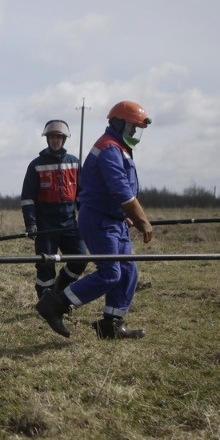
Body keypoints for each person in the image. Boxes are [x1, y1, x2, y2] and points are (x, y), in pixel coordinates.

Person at [36, 100, 154, 339]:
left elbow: (118, 193)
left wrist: (126, 217)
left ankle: (111, 325)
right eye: (132, 128)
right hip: (99, 222)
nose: (134, 134)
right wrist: (142, 220)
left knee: (128, 270)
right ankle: (56, 304)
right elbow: (121, 190)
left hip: (115, 222)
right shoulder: (109, 148)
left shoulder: (120, 147)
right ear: (119, 124)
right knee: (110, 273)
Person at [21, 119, 88, 299]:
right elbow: (27, 198)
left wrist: (86, 218)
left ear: (64, 139)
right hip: (45, 225)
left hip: (69, 223)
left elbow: (82, 195)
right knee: (45, 265)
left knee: (80, 259)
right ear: (47, 139)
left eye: (59, 137)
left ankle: (60, 288)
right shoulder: (35, 165)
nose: (55, 140)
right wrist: (31, 224)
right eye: (52, 137)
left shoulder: (74, 163)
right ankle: (46, 300)